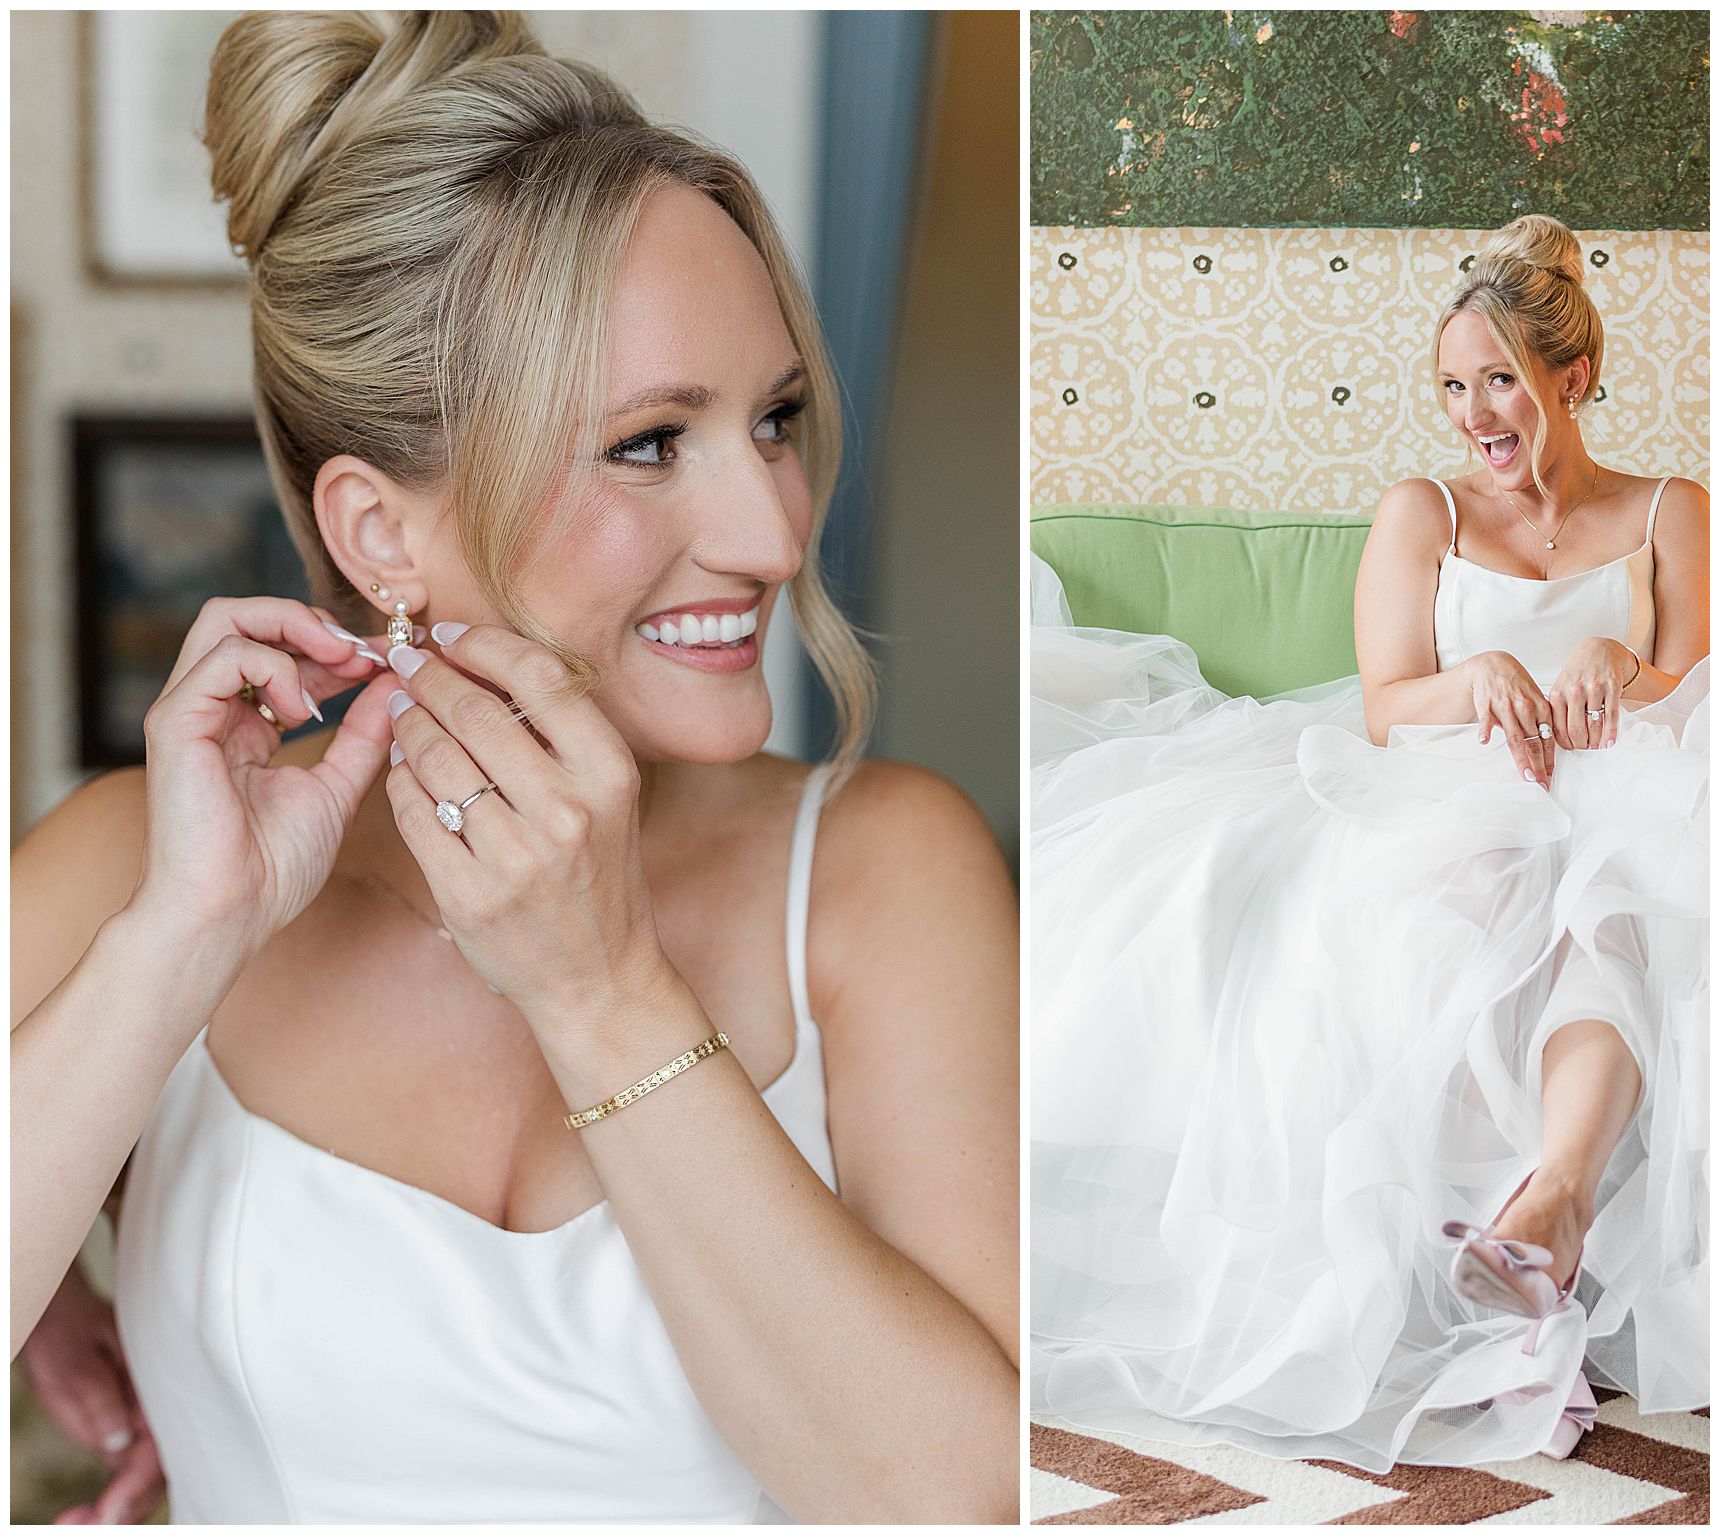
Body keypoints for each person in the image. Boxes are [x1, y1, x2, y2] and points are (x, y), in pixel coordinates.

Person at [13, 12, 1018, 1524]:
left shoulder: (889, 872)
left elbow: (971, 1504)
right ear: (378, 535)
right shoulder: (126, 875)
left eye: (775, 421)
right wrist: (180, 947)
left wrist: (601, 989)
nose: (772, 533)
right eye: (648, 444)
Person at [1029, 214, 1710, 1523]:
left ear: (1570, 375)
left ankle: (1552, 1201)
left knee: (1624, 896)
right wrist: (1476, 677)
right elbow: (1388, 706)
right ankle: (1481, 1255)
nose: (1474, 415)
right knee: (1468, 903)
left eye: (1499, 379)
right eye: (1453, 386)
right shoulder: (1423, 513)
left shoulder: (1673, 509)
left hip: (1638, 781)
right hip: (1456, 788)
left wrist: (1630, 669)